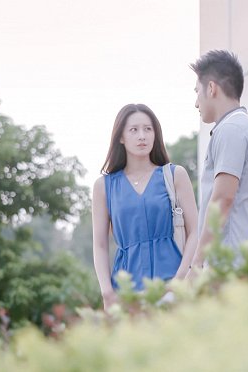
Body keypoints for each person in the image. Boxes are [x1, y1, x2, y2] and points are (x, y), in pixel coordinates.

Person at [92, 103, 199, 310]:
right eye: (134, 130)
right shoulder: (104, 187)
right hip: (126, 291)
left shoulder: (174, 175)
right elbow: (100, 244)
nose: (142, 136)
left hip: (171, 286)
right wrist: (107, 292)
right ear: (121, 137)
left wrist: (180, 279)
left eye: (148, 129)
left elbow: (195, 230)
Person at [187, 50, 248, 279]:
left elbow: (223, 199)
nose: (196, 103)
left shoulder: (230, 131)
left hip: (233, 261)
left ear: (211, 88)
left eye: (197, 92)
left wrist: (197, 262)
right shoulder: (243, 129)